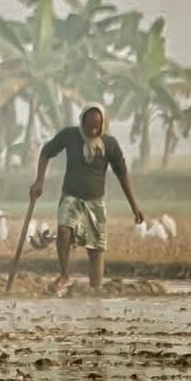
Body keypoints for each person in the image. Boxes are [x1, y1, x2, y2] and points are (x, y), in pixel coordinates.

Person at [29, 102, 144, 293]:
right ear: (81, 122)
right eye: (88, 126)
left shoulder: (110, 144)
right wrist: (39, 181)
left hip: (95, 202)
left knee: (96, 249)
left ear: (103, 124)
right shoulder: (71, 135)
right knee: (64, 230)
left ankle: (95, 291)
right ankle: (65, 274)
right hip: (71, 197)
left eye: (97, 126)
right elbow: (46, 152)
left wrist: (134, 206)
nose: (92, 130)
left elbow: (122, 174)